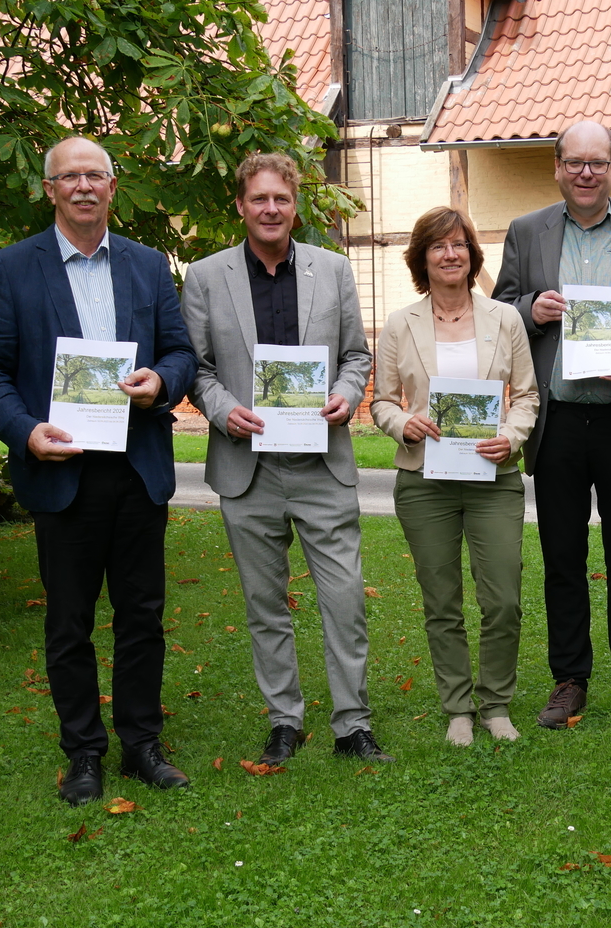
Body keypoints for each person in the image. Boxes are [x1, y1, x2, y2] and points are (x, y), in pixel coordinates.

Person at [0, 136, 199, 805]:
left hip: (137, 467)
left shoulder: (146, 265)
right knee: (69, 623)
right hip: (62, 471)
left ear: (113, 188)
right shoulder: (12, 269)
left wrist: (159, 383)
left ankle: (142, 743)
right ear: (49, 190)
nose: (84, 186)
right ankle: (84, 752)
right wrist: (26, 432)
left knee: (142, 615)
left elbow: (180, 354)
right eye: (69, 177)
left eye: (95, 175)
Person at [182, 153, 392, 765]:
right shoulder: (205, 276)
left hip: (321, 464)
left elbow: (356, 356)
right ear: (241, 206)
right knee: (264, 604)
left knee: (344, 601)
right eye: (259, 199)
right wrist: (223, 412)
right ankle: (284, 719)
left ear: (295, 205)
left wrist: (347, 396)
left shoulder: (333, 269)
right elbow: (197, 366)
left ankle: (352, 722)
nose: (271, 209)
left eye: (281, 198)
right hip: (247, 468)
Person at [493, 120, 611, 729]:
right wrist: (531, 309)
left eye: (597, 163)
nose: (585, 172)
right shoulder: (527, 232)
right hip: (557, 424)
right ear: (556, 167)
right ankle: (569, 679)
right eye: (574, 162)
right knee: (562, 557)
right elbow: (498, 310)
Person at [372, 208, 539, 746]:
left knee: (503, 598)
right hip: (425, 482)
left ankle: (496, 704)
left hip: (494, 479)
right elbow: (380, 402)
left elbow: (528, 396)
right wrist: (405, 423)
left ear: (472, 254)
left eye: (460, 244)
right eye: (439, 246)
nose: (451, 254)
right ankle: (458, 708)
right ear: (422, 257)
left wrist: (510, 437)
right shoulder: (401, 323)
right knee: (441, 600)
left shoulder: (505, 319)